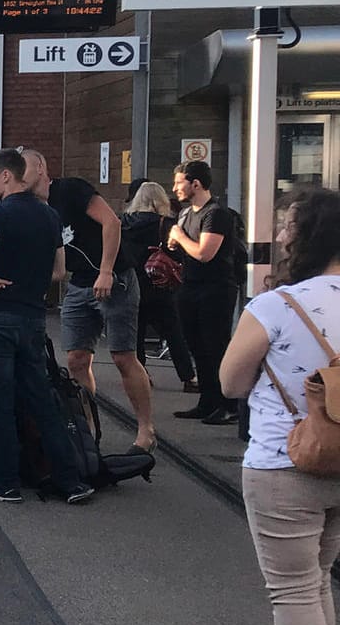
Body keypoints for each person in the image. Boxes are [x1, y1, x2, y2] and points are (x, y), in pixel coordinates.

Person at [217, 189, 340, 625]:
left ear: (304, 237)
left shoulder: (277, 305)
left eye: (288, 223)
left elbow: (231, 384)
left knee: (292, 590)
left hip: (282, 461)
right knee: (316, 581)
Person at [0, 149, 94, 505]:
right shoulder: (49, 216)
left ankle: (5, 481)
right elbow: (58, 271)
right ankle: (70, 480)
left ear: (7, 176)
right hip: (33, 319)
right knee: (41, 401)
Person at [22, 150, 156, 451]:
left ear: (41, 167)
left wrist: (106, 271)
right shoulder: (33, 208)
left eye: (24, 167)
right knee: (76, 360)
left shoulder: (69, 190)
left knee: (123, 356)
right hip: (79, 282)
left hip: (115, 278)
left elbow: (111, 223)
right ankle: (87, 429)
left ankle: (146, 429)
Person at [169, 161, 243, 425]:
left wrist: (179, 235)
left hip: (216, 289)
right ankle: (208, 401)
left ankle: (229, 404)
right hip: (189, 285)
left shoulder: (216, 214)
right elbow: (185, 250)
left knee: (215, 346)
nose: (175, 188)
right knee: (197, 346)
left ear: (195, 184)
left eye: (179, 183)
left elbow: (204, 253)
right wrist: (174, 242)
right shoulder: (186, 214)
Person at [121, 180, 196, 392]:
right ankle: (188, 377)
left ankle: (141, 374)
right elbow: (177, 253)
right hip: (159, 285)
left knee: (136, 333)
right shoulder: (166, 223)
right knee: (173, 332)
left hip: (131, 283)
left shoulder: (124, 222)